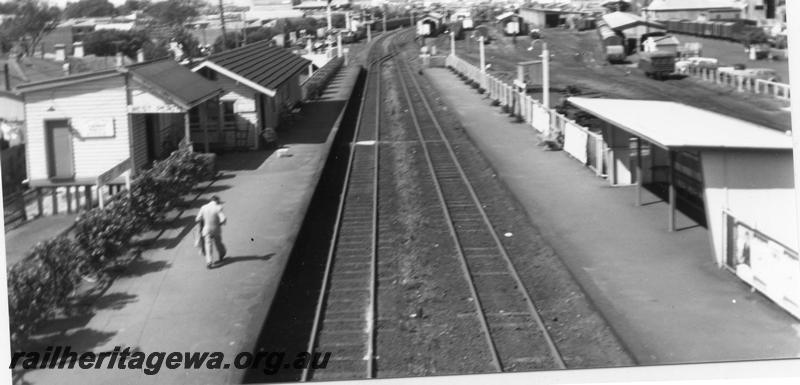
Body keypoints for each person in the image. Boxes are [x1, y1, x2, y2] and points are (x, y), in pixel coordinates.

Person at [196, 195, 227, 269]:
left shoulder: (203, 207)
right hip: (216, 229)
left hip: (206, 229)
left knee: (208, 245)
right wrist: (220, 224)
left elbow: (197, 219)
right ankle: (222, 254)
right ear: (217, 201)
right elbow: (223, 219)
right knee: (218, 243)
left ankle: (209, 261)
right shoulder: (218, 207)